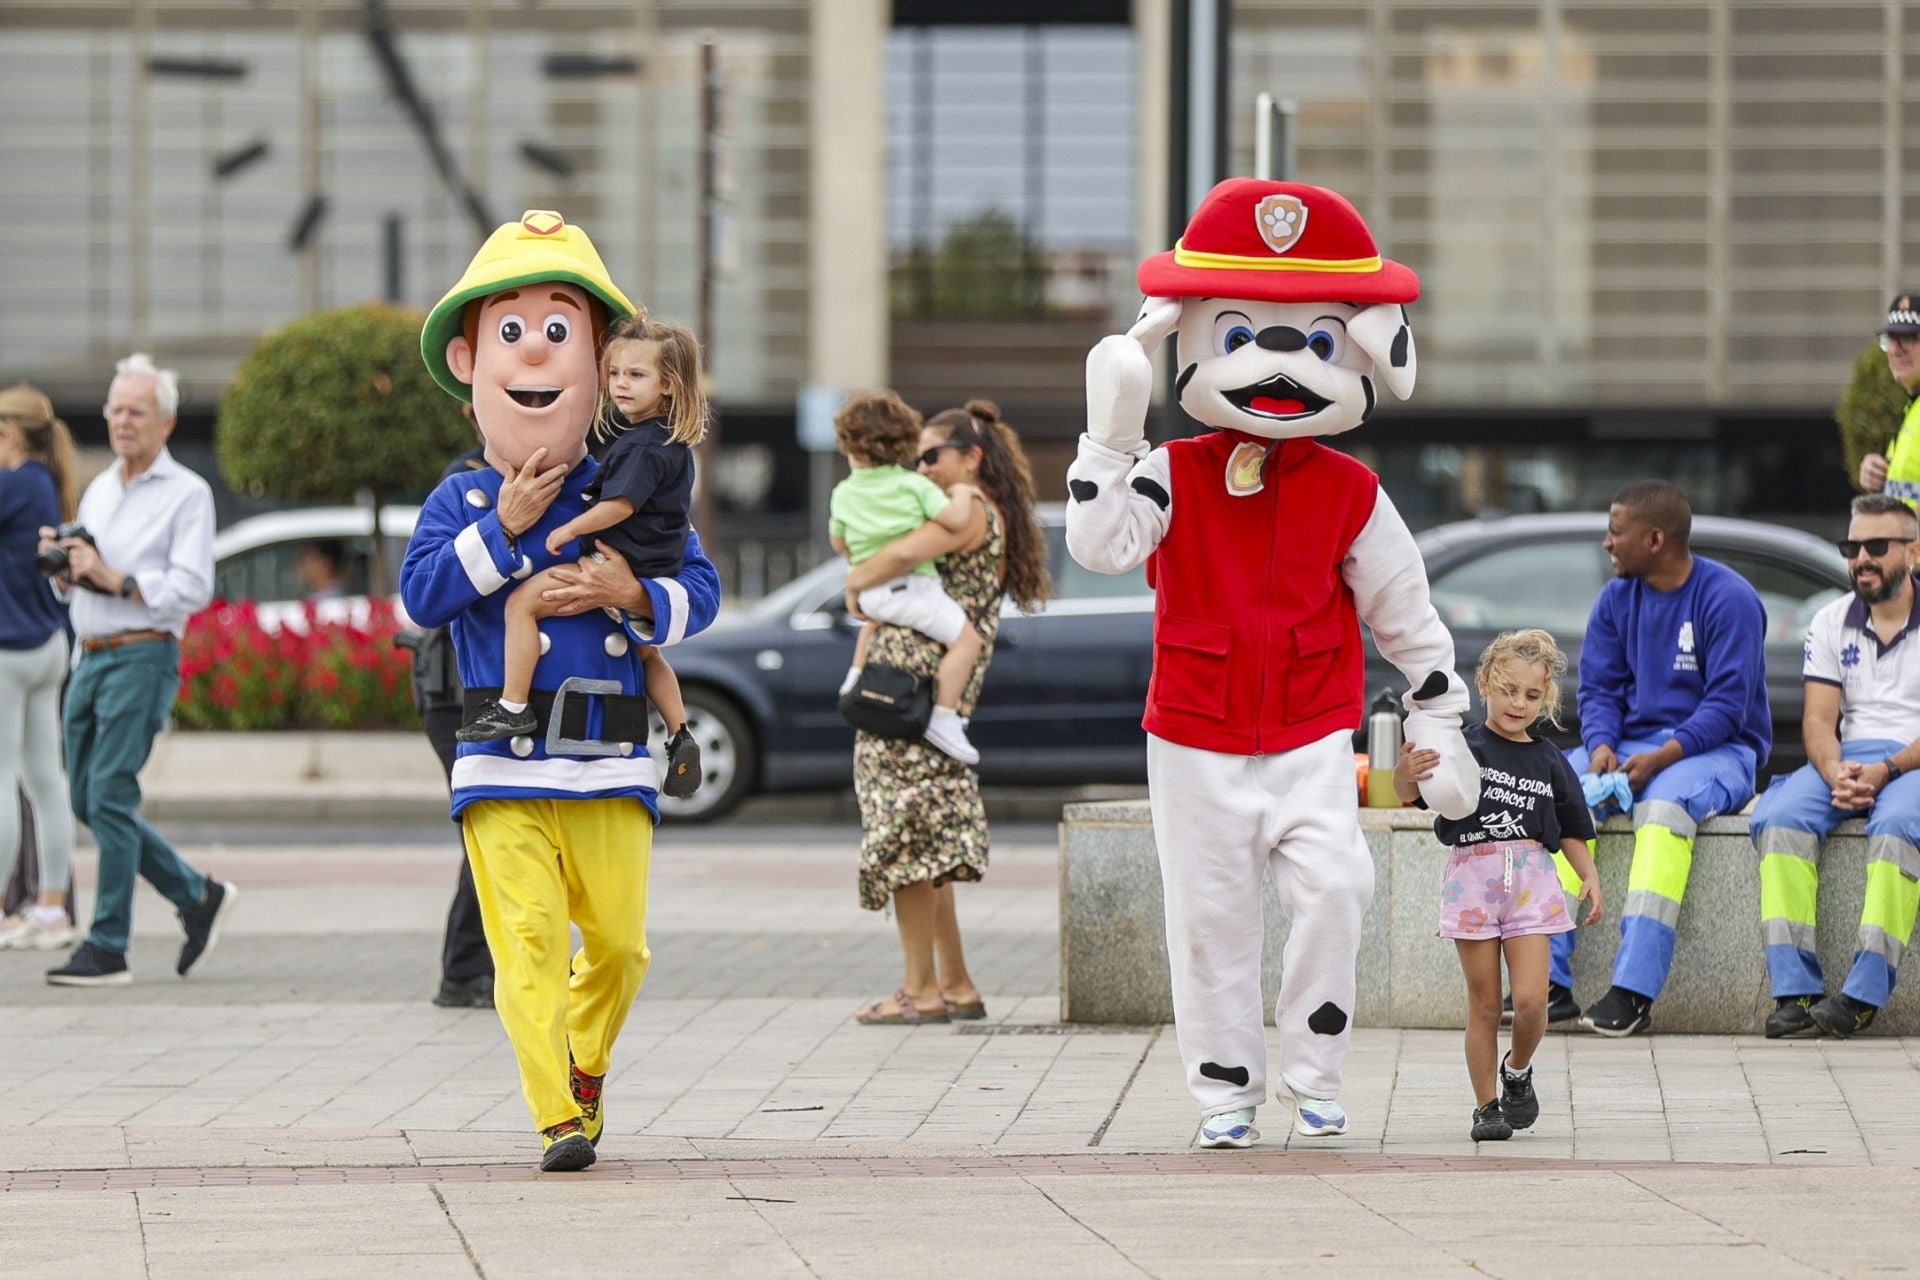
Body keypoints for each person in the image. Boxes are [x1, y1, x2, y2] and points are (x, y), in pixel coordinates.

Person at [406, 209, 720, 1172]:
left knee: (620, 948)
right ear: (470, 364)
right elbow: (422, 596)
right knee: (528, 944)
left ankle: (585, 1063)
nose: (536, 353)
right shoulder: (460, 499)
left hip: (610, 756)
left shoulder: (632, 484)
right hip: (499, 759)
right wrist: (502, 528)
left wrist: (637, 593)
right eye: (511, 331)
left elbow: (700, 590)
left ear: (599, 363)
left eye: (558, 331)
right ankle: (557, 1117)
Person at [841, 399, 1050, 1025]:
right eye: (917, 457)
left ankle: (920, 991)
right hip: (930, 690)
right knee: (928, 839)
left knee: (903, 835)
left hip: (910, 688)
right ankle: (954, 983)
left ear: (971, 458)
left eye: (932, 455)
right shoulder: (987, 510)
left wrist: (854, 580)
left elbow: (893, 558)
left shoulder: (967, 508)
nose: (922, 467)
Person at [39, 354, 237, 987]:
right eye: (116, 410)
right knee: (86, 799)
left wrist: (116, 578)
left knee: (110, 793)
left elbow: (193, 587)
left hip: (142, 653)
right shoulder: (100, 487)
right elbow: (86, 580)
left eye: (137, 412)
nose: (123, 422)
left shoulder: (188, 493)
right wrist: (67, 569)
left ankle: (108, 945)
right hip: (90, 654)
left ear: (167, 422)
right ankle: (196, 896)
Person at [457, 314, 704, 798]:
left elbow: (621, 505)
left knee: (521, 605)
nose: (621, 384)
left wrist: (571, 528)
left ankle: (512, 705)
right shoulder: (670, 441)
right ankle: (679, 732)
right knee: (648, 653)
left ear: (668, 385)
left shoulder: (641, 446)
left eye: (636, 375)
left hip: (618, 562)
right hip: (656, 563)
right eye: (614, 373)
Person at [1556, 479, 1770, 1035]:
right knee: (1557, 794)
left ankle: (1633, 992)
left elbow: (1728, 707)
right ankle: (1547, 983)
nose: (1607, 542)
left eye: (1616, 531)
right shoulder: (1615, 600)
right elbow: (1598, 690)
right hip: (1628, 746)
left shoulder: (1730, 599)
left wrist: (1661, 758)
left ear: (1655, 540)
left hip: (1719, 751)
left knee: (1664, 808)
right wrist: (1601, 746)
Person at [1396, 630, 1603, 1142]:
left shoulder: (1550, 759)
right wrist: (1405, 771)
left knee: (1531, 1002)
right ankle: (1486, 1106)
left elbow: (1572, 828)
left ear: (1546, 697)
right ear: (1484, 683)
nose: (1518, 704)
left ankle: (1518, 1070)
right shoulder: (1461, 747)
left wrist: (1590, 876)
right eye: (1508, 690)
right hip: (1472, 881)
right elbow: (1410, 796)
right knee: (1486, 1005)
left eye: (1532, 695)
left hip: (1531, 881)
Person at [1750, 494, 1920, 1039]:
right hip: (1849, 759)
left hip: (1911, 760)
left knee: (1897, 827)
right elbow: (1819, 721)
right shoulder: (1830, 619)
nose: (1861, 558)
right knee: (1780, 818)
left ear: (1913, 552)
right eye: (1852, 547)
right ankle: (1796, 992)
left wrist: (1887, 769)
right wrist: (1834, 771)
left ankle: (1864, 996)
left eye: (1876, 546)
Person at [830, 391, 986, 765]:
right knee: (968, 642)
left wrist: (858, 567)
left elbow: (839, 543)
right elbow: (954, 521)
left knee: (872, 623)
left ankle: (854, 676)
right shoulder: (913, 486)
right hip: (912, 588)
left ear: (850, 446)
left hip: (871, 595)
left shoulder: (842, 492)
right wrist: (964, 493)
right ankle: (945, 719)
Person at [406, 441, 496, 1009]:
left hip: (479, 687)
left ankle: (495, 961)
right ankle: (464, 969)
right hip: (452, 689)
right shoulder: (466, 479)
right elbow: (431, 588)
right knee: (489, 824)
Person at [0, 384, 79, 951]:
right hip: (46, 645)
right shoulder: (45, 482)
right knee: (45, 779)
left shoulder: (15, 483)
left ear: (8, 434)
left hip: (9, 649)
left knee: (4, 778)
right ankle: (52, 909)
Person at [1855, 292, 1920, 504]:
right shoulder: (1912, 409)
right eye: (1890, 340)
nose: (1895, 350)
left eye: (1908, 339)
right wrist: (1878, 479)